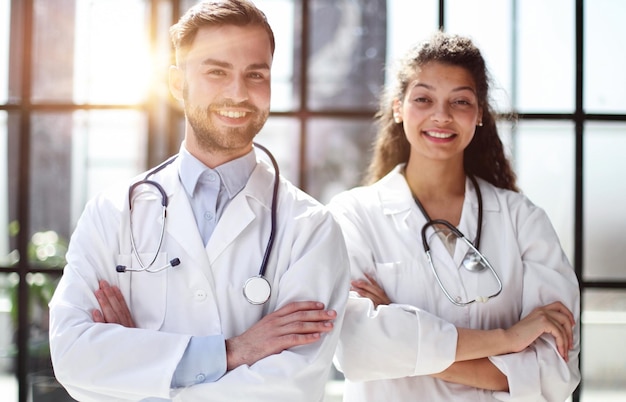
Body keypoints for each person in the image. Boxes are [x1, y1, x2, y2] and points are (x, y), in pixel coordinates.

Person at [48, 1, 349, 401]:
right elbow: (73, 355)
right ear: (177, 83)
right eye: (216, 71)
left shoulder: (311, 228)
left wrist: (141, 371)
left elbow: (289, 386)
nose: (238, 93)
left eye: (255, 74)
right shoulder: (113, 212)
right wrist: (233, 352)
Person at [327, 31, 580, 401]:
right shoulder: (353, 215)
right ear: (399, 108)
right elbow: (355, 348)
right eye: (424, 99)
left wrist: (402, 337)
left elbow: (554, 371)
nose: (441, 116)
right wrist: (508, 340)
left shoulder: (522, 220)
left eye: (460, 102)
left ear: (479, 114)